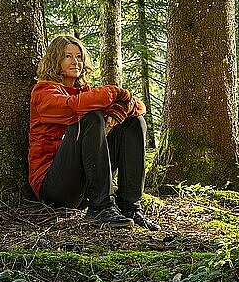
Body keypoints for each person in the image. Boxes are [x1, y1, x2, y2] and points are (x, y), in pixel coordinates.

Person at [28, 35, 160, 231]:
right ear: (55, 61)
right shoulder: (43, 93)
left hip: (84, 186)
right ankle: (100, 207)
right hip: (54, 186)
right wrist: (115, 93)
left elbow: (139, 107)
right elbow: (73, 107)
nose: (76, 62)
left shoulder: (84, 93)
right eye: (67, 56)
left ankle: (129, 207)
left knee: (133, 122)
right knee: (90, 116)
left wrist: (121, 108)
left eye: (79, 57)